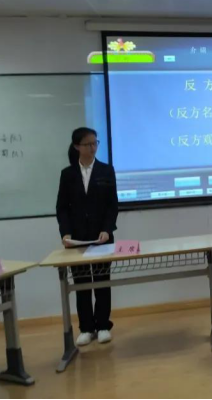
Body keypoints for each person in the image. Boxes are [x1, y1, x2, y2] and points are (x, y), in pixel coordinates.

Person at [56, 127, 118, 347]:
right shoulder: (68, 174)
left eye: (95, 143)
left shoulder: (106, 170)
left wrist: (107, 229)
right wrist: (65, 233)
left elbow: (112, 205)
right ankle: (86, 327)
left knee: (102, 281)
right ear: (77, 147)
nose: (93, 148)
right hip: (78, 239)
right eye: (88, 144)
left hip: (102, 237)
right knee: (81, 283)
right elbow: (62, 208)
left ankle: (103, 325)